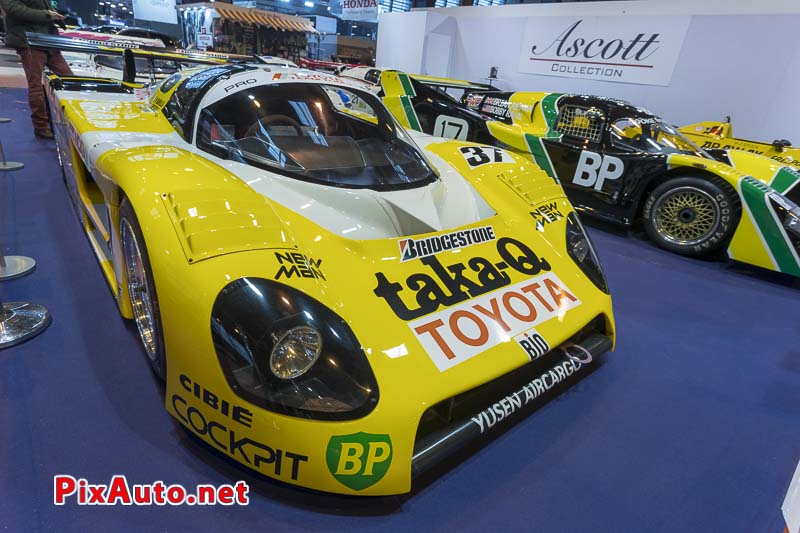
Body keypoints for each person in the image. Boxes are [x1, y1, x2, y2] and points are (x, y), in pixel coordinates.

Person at [0, 0, 73, 139]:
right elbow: (15, 10)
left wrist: (55, 17)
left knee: (70, 81)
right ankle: (41, 126)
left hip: (47, 40)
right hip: (29, 41)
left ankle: (60, 123)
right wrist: (47, 15)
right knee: (36, 86)